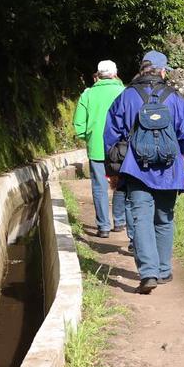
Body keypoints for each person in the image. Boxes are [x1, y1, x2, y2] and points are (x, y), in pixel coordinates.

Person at [103, 51, 184, 294]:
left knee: (141, 220)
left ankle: (148, 273)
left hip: (137, 170)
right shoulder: (176, 99)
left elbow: (111, 136)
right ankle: (163, 269)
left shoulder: (126, 97)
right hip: (170, 170)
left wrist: (112, 171)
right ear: (162, 71)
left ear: (142, 69)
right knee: (164, 219)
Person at [72, 60, 126, 237]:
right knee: (120, 183)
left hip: (96, 147)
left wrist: (87, 137)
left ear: (98, 74)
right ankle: (119, 221)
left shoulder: (88, 94)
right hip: (119, 148)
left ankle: (103, 227)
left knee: (99, 185)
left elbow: (79, 125)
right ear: (114, 73)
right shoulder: (123, 92)